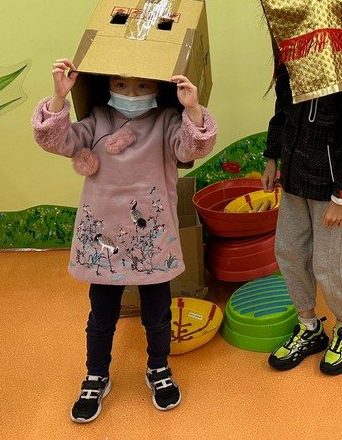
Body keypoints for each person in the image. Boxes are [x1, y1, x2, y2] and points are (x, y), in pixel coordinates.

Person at [32, 60, 217, 423]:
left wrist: (192, 109)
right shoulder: (98, 119)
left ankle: (158, 367)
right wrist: (58, 98)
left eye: (142, 86)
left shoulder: (166, 121)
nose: (130, 94)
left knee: (157, 313)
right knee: (101, 315)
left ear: (157, 87)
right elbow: (55, 141)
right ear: (108, 85)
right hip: (104, 231)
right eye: (120, 84)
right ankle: (96, 375)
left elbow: (191, 149)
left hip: (150, 236)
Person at [262, 57, 342, 375]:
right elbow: (282, 115)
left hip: (332, 190)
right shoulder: (292, 62)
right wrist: (272, 158)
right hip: (294, 181)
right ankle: (309, 326)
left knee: (329, 265)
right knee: (289, 252)